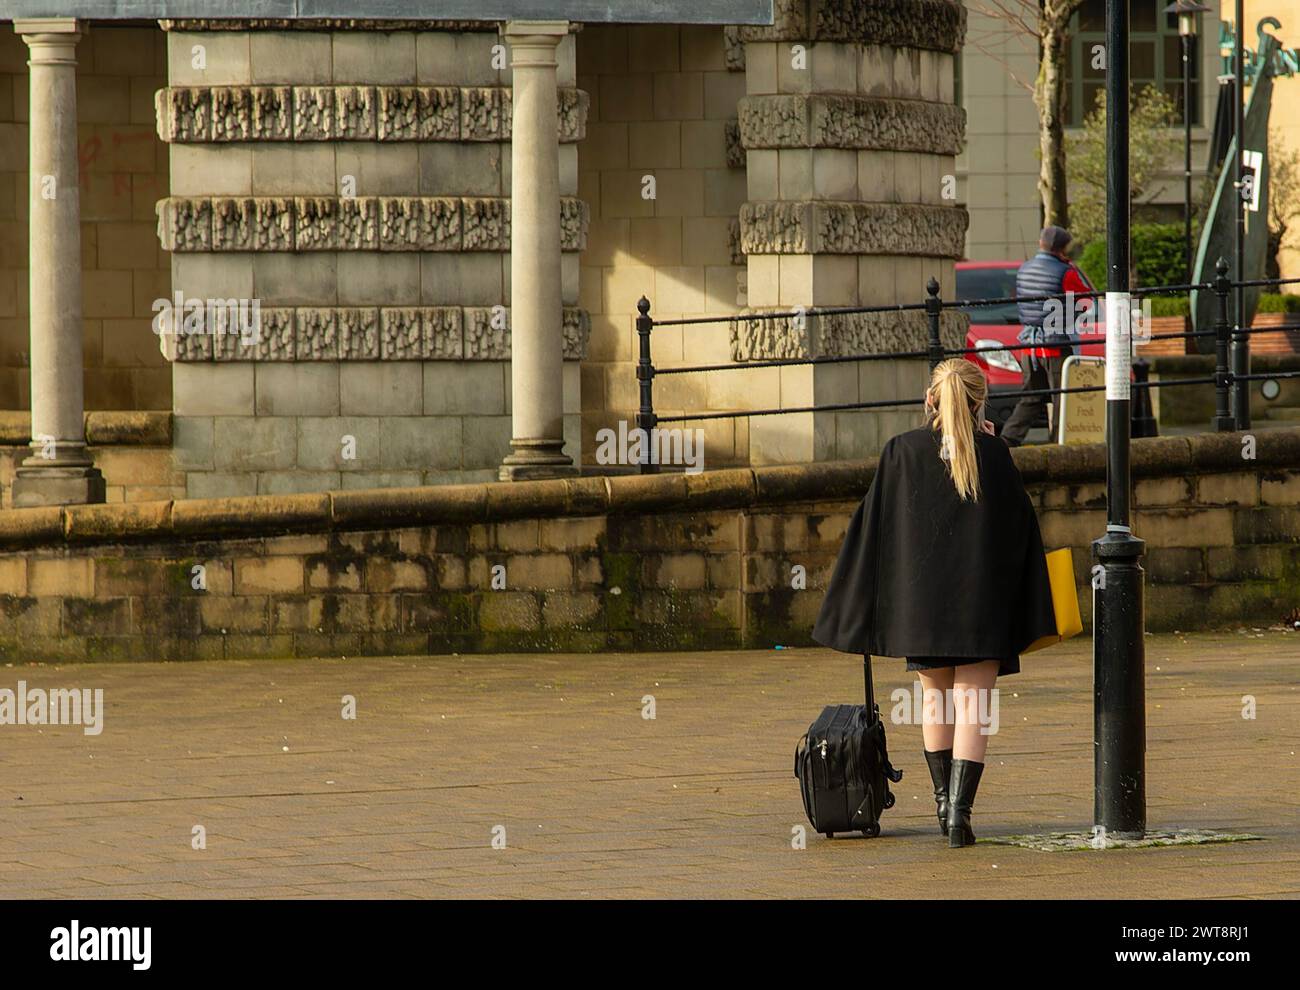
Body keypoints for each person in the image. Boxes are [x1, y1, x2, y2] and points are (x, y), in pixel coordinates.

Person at [812, 360, 1056, 847]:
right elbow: (1020, 530)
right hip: (980, 605)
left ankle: (943, 802)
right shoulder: (995, 454)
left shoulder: (900, 452)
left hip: (921, 605)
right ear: (978, 401)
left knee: (937, 702)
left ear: (931, 400)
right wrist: (991, 444)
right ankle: (958, 818)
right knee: (974, 704)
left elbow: (873, 528)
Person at [1000, 225, 1095, 446]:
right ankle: (1058, 445)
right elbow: (1085, 300)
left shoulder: (1024, 268)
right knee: (1062, 398)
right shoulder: (1065, 271)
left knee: (1031, 398)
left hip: (1029, 345)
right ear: (1063, 248)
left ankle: (1007, 441)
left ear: (1040, 244)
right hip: (1055, 345)